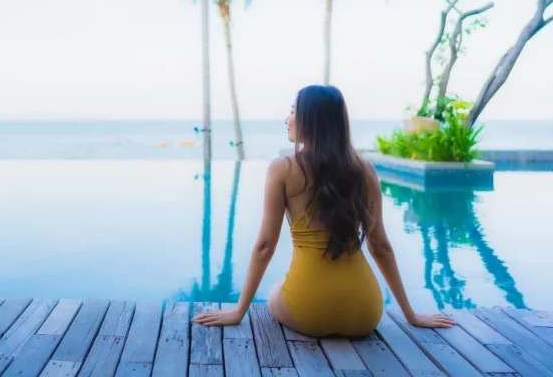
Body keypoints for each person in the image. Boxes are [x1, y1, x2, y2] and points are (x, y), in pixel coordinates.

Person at [192, 85, 457, 336]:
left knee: (276, 290)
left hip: (306, 310)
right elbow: (381, 247)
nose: (287, 119)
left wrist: (238, 312)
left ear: (312, 120)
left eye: (294, 112)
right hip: (364, 312)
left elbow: (265, 246)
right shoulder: (364, 171)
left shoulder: (282, 169)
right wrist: (412, 315)